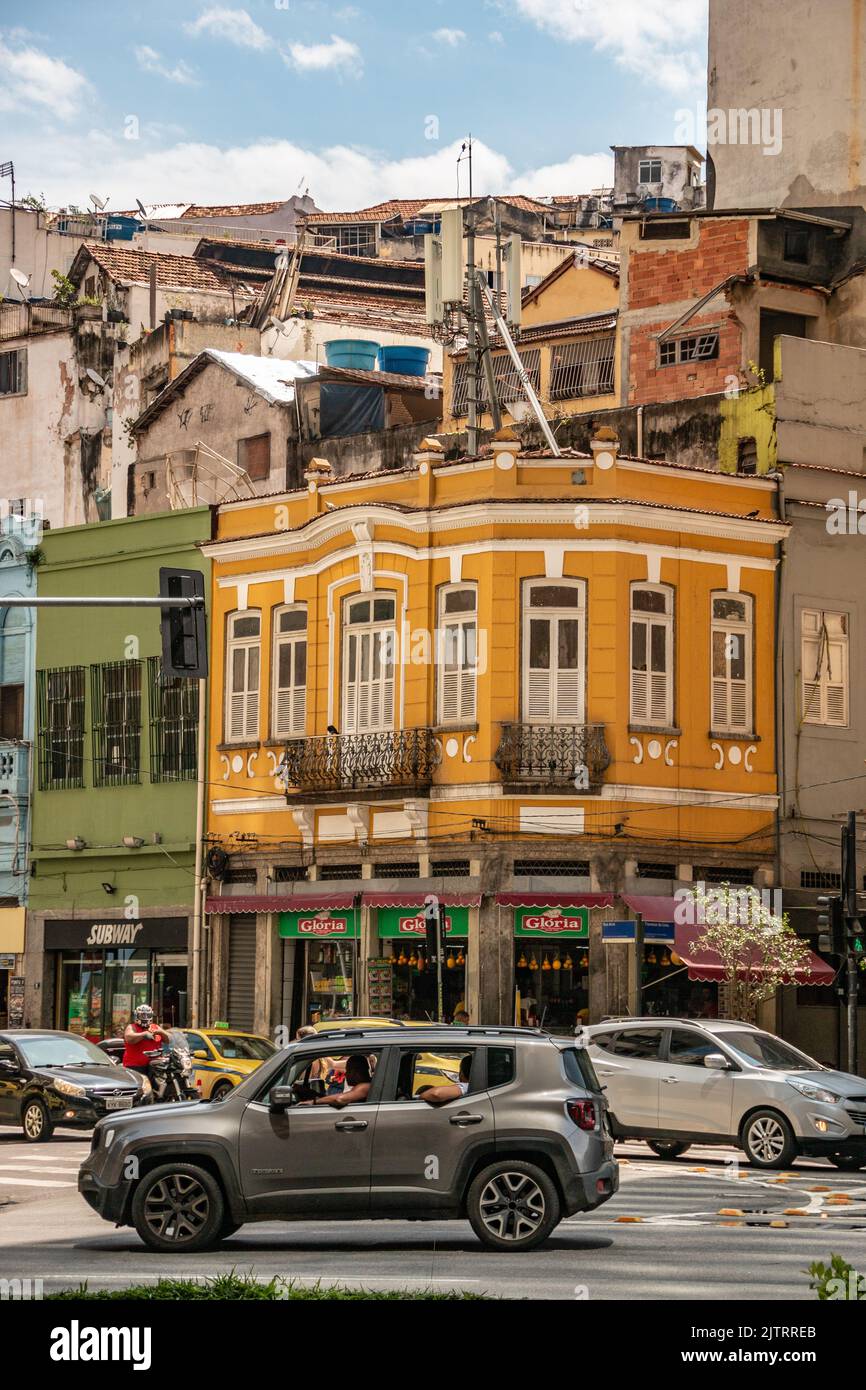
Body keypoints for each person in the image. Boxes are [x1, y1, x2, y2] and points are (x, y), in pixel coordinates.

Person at [299, 1054, 372, 1108]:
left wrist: (313, 1102)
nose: (346, 1073)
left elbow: (340, 1099)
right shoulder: (364, 1086)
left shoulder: (364, 1086)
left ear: (356, 1071)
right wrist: (311, 1094)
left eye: (348, 1070)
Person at [122, 1004, 168, 1081]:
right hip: (135, 1066)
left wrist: (161, 1032)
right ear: (137, 1015)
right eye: (142, 1015)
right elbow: (129, 1037)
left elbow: (168, 1039)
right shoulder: (132, 1027)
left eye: (147, 1015)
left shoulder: (155, 1027)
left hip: (155, 1066)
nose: (145, 1018)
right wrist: (144, 1034)